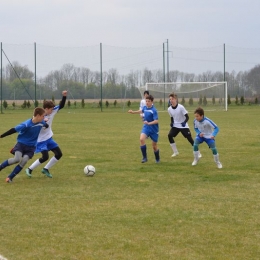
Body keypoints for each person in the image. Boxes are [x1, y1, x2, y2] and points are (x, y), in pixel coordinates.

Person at [25, 90, 67, 178]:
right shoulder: (38, 117)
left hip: (49, 138)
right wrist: (43, 122)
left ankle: (46, 169)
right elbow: (34, 126)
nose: (52, 111)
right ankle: (29, 169)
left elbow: (61, 106)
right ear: (46, 109)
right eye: (51, 109)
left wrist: (64, 96)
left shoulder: (53, 111)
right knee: (45, 157)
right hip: (40, 140)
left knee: (59, 154)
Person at [0, 107, 48, 183]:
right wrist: (1, 136)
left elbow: (46, 125)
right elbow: (13, 130)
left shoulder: (41, 122)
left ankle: (10, 177)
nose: (44, 117)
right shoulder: (26, 124)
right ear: (38, 115)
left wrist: (45, 122)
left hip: (32, 147)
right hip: (21, 145)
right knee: (17, 159)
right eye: (43, 116)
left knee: (24, 160)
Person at [168, 92, 201, 158]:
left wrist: (184, 122)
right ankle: (175, 152)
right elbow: (172, 117)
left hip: (183, 126)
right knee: (169, 135)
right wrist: (172, 122)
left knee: (190, 139)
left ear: (175, 99)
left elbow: (187, 117)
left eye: (172, 99)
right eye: (170, 99)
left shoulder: (181, 107)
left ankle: (198, 152)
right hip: (176, 125)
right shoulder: (169, 109)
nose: (171, 100)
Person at [128, 94, 160, 163]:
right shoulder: (145, 107)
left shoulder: (154, 110)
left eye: (148, 101)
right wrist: (133, 112)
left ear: (152, 102)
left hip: (154, 129)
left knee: (154, 146)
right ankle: (144, 158)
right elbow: (141, 111)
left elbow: (156, 121)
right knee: (141, 139)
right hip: (146, 127)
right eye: (146, 101)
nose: (147, 102)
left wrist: (149, 123)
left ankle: (157, 158)